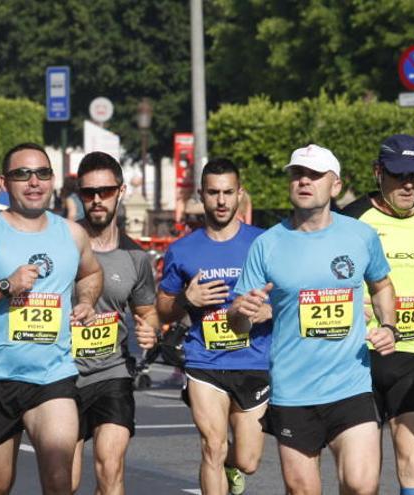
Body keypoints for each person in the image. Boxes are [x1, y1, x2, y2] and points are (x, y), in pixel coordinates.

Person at [229, 144, 398, 495]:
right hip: (293, 391)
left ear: (334, 185)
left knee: (361, 484)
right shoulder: (268, 244)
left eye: (315, 175)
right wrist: (240, 313)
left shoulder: (359, 235)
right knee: (303, 490)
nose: (304, 181)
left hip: (350, 385)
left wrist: (389, 326)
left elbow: (382, 286)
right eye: (297, 174)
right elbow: (237, 324)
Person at [0, 142, 102, 495]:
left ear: (53, 180)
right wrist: (4, 286)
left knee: (60, 482)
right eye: (22, 174)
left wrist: (86, 300)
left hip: (53, 377)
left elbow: (90, 274)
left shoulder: (71, 234)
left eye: (42, 173)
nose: (33, 182)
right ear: (3, 182)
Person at [342, 134, 414, 493]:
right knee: (361, 478)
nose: (409, 185)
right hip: (359, 358)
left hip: (412, 356)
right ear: (379, 173)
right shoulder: (352, 220)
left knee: (413, 458)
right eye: (399, 175)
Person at [157, 158, 272, 495]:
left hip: (254, 360)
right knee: (213, 446)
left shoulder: (263, 243)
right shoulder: (181, 250)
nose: (221, 201)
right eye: (213, 193)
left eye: (227, 192)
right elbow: (163, 311)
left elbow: (291, 295)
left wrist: (270, 311)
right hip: (203, 361)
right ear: (201, 196)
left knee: (248, 460)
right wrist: (186, 301)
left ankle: (230, 469)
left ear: (240, 195)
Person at [69, 151, 159, 494]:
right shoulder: (62, 244)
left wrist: (150, 330)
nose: (96, 200)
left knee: (110, 467)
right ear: (80, 195)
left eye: (104, 191)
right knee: (65, 480)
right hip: (63, 374)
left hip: (113, 373)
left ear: (120, 192)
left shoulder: (136, 256)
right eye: (88, 192)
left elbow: (147, 310)